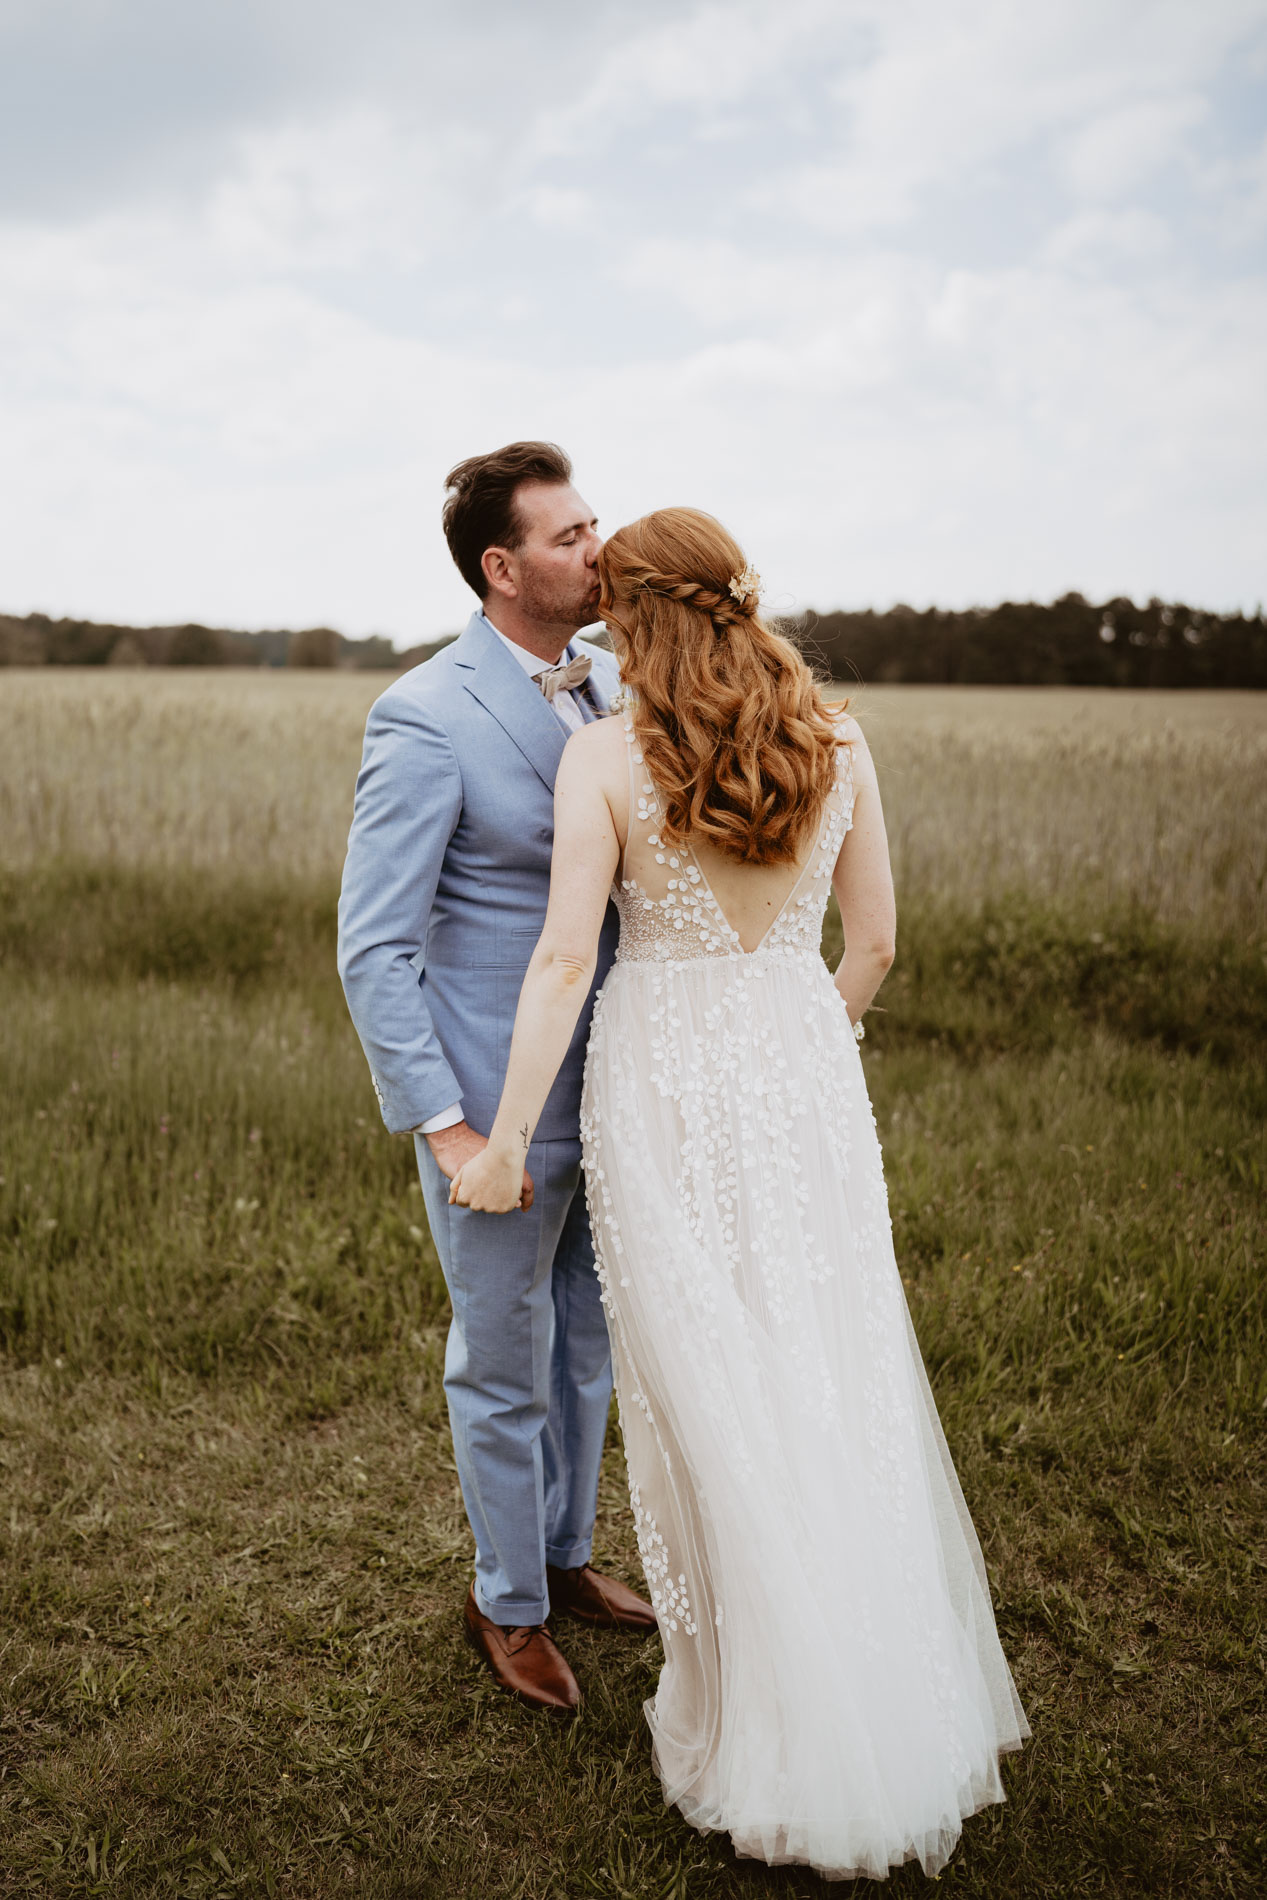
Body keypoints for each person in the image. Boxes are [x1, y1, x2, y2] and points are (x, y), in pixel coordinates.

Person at [449, 507, 1029, 1881]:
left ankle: (760, 1726)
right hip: (802, 1077)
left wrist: (501, 1142)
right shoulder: (839, 736)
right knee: (820, 1376)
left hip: (658, 1089)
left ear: (633, 621)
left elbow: (559, 968)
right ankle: (867, 1694)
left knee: (704, 1396)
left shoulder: (604, 754)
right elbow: (874, 942)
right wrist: (794, 1052)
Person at [337, 442, 655, 1719]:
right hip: (492, 1110)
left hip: (624, 1087)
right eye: (572, 536)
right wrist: (448, 1123)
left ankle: (566, 1556)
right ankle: (504, 1599)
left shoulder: (626, 682)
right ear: (501, 566)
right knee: (503, 1357)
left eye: (597, 523)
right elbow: (374, 943)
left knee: (589, 1344)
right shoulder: (423, 712)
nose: (600, 549)